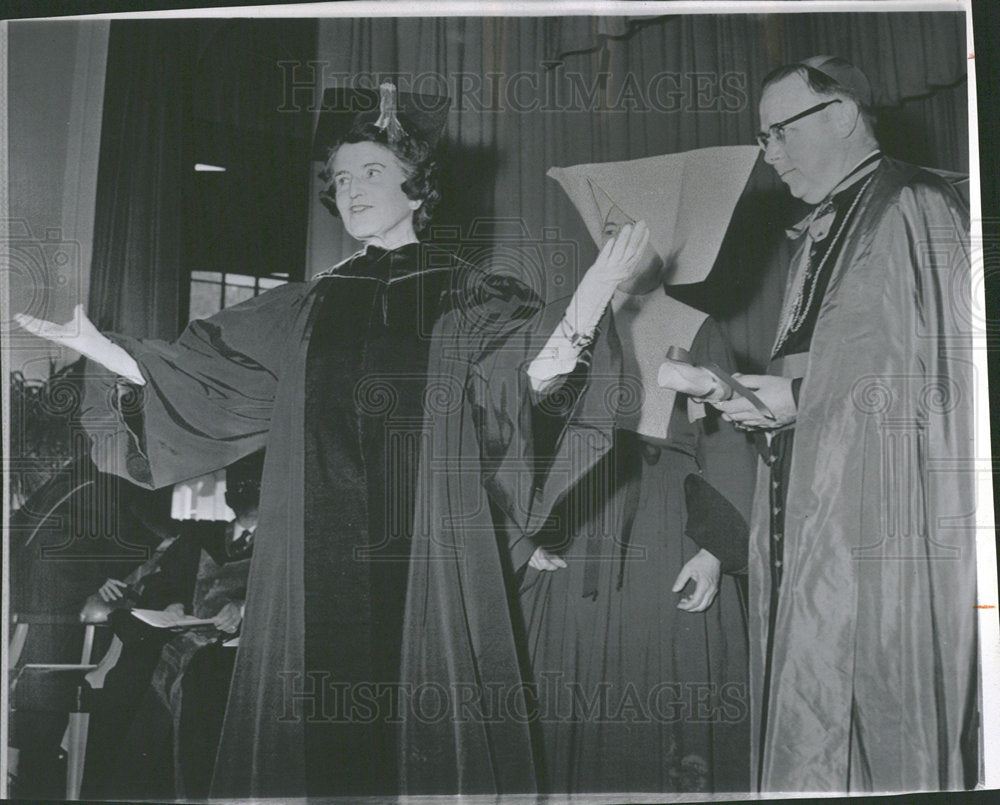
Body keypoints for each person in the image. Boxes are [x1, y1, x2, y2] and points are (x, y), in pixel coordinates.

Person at [15, 83, 651, 797]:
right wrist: (95, 345)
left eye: (372, 172)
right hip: (313, 557)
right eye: (342, 179)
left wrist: (597, 291)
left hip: (423, 556)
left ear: (417, 187)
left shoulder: (469, 295)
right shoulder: (308, 305)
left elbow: (525, 384)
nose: (352, 191)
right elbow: (206, 378)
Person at [711, 57, 977, 791]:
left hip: (887, 525)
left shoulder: (912, 206)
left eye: (779, 132)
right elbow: (832, 365)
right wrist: (770, 397)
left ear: (843, 114)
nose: (769, 154)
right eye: (761, 138)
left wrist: (806, 399)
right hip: (816, 519)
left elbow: (941, 383)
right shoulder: (823, 228)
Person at [519, 152, 759, 793]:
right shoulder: (563, 323)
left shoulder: (698, 328)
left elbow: (730, 444)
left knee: (666, 699)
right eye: (611, 236)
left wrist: (713, 550)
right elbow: (517, 435)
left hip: (671, 531)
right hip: (579, 522)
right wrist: (525, 531)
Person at [80, 452, 261, 800]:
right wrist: (171, 603)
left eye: (253, 485)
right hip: (177, 643)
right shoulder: (201, 535)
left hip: (237, 654)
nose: (242, 492)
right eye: (236, 486)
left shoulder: (282, 547)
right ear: (225, 494)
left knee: (201, 686)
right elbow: (164, 583)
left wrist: (243, 608)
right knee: (126, 683)